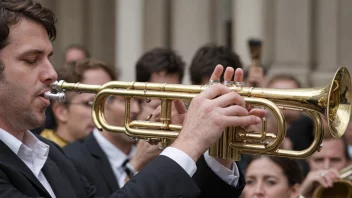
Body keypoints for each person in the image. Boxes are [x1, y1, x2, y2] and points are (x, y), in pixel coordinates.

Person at [0, 1, 263, 197]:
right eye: (31, 60)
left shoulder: (51, 156)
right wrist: (189, 143)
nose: (51, 73)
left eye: (48, 58)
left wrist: (219, 155)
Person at [63, 58, 162, 197]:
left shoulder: (153, 151)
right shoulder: (71, 159)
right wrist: (135, 165)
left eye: (138, 101)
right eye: (124, 101)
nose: (135, 109)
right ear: (102, 106)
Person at [40, 59, 116, 147]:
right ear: (61, 111)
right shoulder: (42, 154)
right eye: (91, 104)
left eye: (110, 101)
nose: (105, 113)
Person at [299, 131, 351, 198]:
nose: (326, 167)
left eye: (335, 160)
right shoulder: (295, 189)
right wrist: (302, 194)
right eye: (319, 160)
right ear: (308, 161)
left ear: (349, 163)